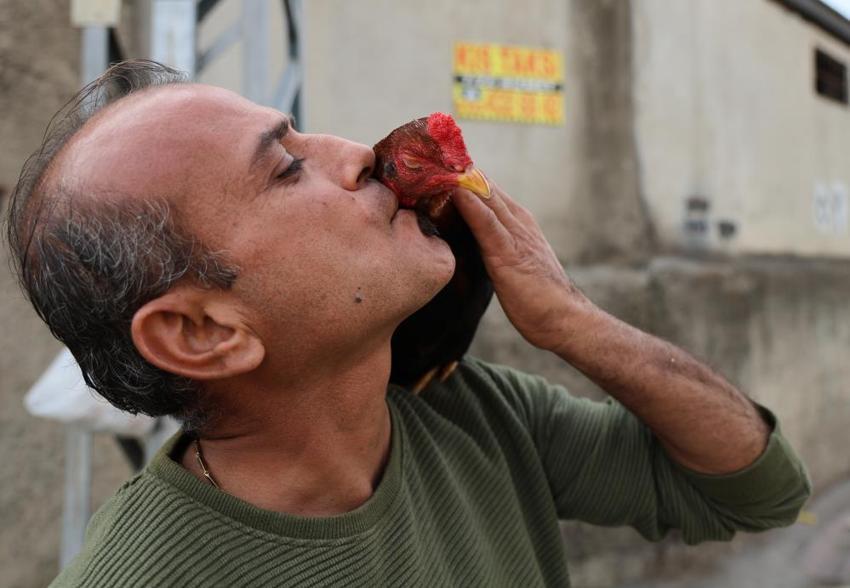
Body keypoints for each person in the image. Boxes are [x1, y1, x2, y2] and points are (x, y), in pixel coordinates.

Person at [7, 60, 810, 587]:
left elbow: (756, 491)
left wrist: (570, 321)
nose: (359, 153)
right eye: (287, 166)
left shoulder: (476, 416)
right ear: (202, 332)